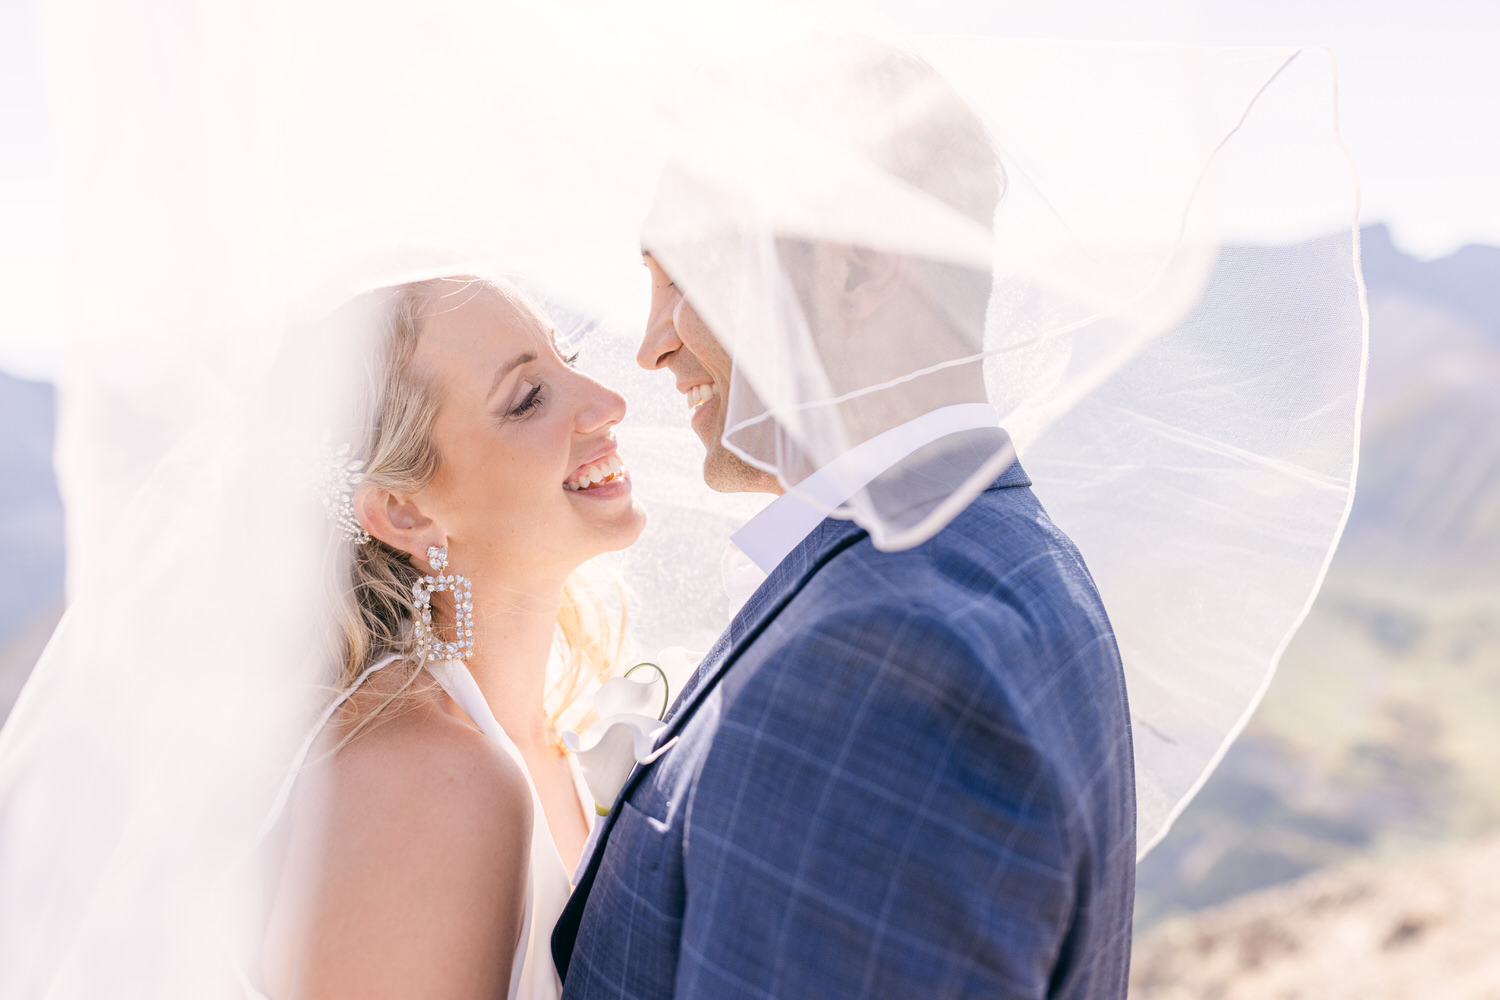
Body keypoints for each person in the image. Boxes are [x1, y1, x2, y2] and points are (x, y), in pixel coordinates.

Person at [553, 42, 1137, 999]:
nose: (654, 343)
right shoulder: (1011, 551)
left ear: (859, 274)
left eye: (687, 275)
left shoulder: (883, 661)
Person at [256, 276, 645, 999]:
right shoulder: (427, 779)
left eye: (564, 358)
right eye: (528, 398)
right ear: (404, 514)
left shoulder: (536, 736)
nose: (607, 402)